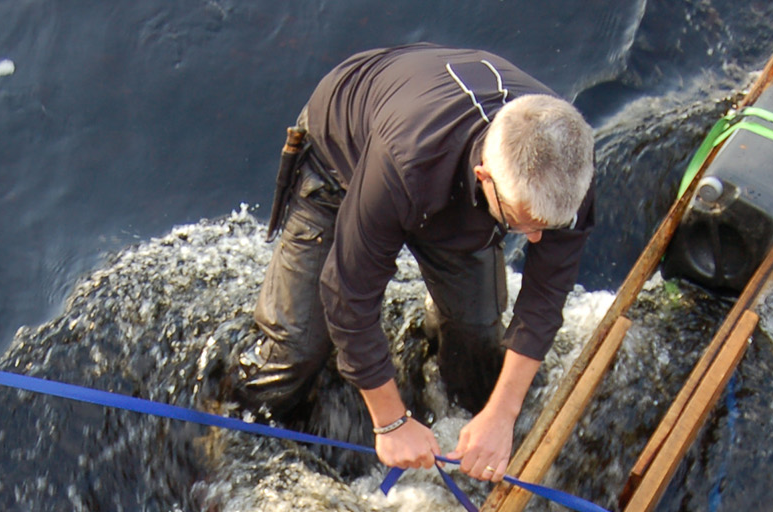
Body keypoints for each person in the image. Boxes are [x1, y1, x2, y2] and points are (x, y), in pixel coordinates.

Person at [235, 44, 598, 482]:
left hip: (447, 163)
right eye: (523, 225)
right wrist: (390, 422)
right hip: (344, 158)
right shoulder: (406, 162)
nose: (538, 239)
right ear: (485, 177)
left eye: (548, 227)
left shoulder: (567, 172)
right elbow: (348, 291)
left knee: (478, 342)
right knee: (291, 356)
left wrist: (501, 415)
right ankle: (225, 431)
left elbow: (544, 299)